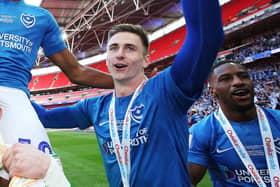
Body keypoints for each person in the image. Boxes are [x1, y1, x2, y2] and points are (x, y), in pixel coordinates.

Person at [3, 0, 224, 186]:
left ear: (146, 59)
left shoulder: (166, 91)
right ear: (106, 60)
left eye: (130, 48)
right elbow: (43, 116)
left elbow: (206, 38)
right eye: (113, 48)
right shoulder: (95, 107)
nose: (120, 54)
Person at [0, 0, 113, 186]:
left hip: (15, 98)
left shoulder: (41, 18)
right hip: (14, 98)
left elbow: (76, 72)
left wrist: (123, 81)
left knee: (41, 174)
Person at [188, 61, 280, 187]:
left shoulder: (277, 119)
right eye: (225, 79)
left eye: (243, 76)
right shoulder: (202, 131)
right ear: (212, 92)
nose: (238, 82)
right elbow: (188, 182)